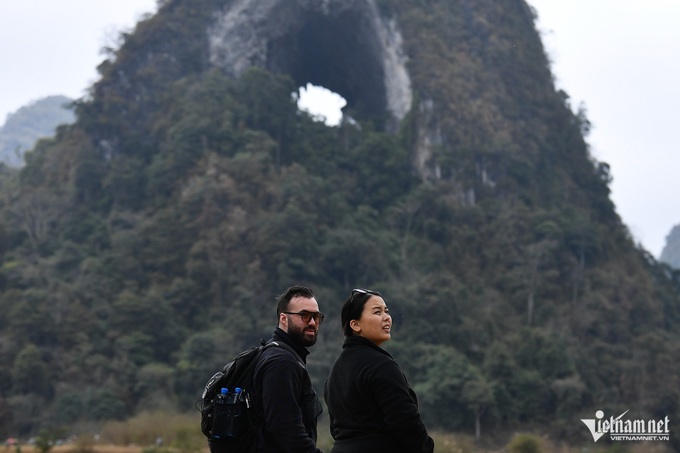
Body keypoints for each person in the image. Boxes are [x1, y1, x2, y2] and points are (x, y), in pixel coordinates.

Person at [324, 288, 435, 453]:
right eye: (377, 312)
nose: (387, 318)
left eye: (387, 311)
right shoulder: (381, 366)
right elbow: (405, 422)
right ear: (355, 325)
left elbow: (336, 429)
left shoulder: (335, 371)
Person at [253, 285, 325, 453]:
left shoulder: (282, 355)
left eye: (316, 316)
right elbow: (285, 428)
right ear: (284, 319)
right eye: (304, 316)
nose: (312, 322)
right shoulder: (282, 362)